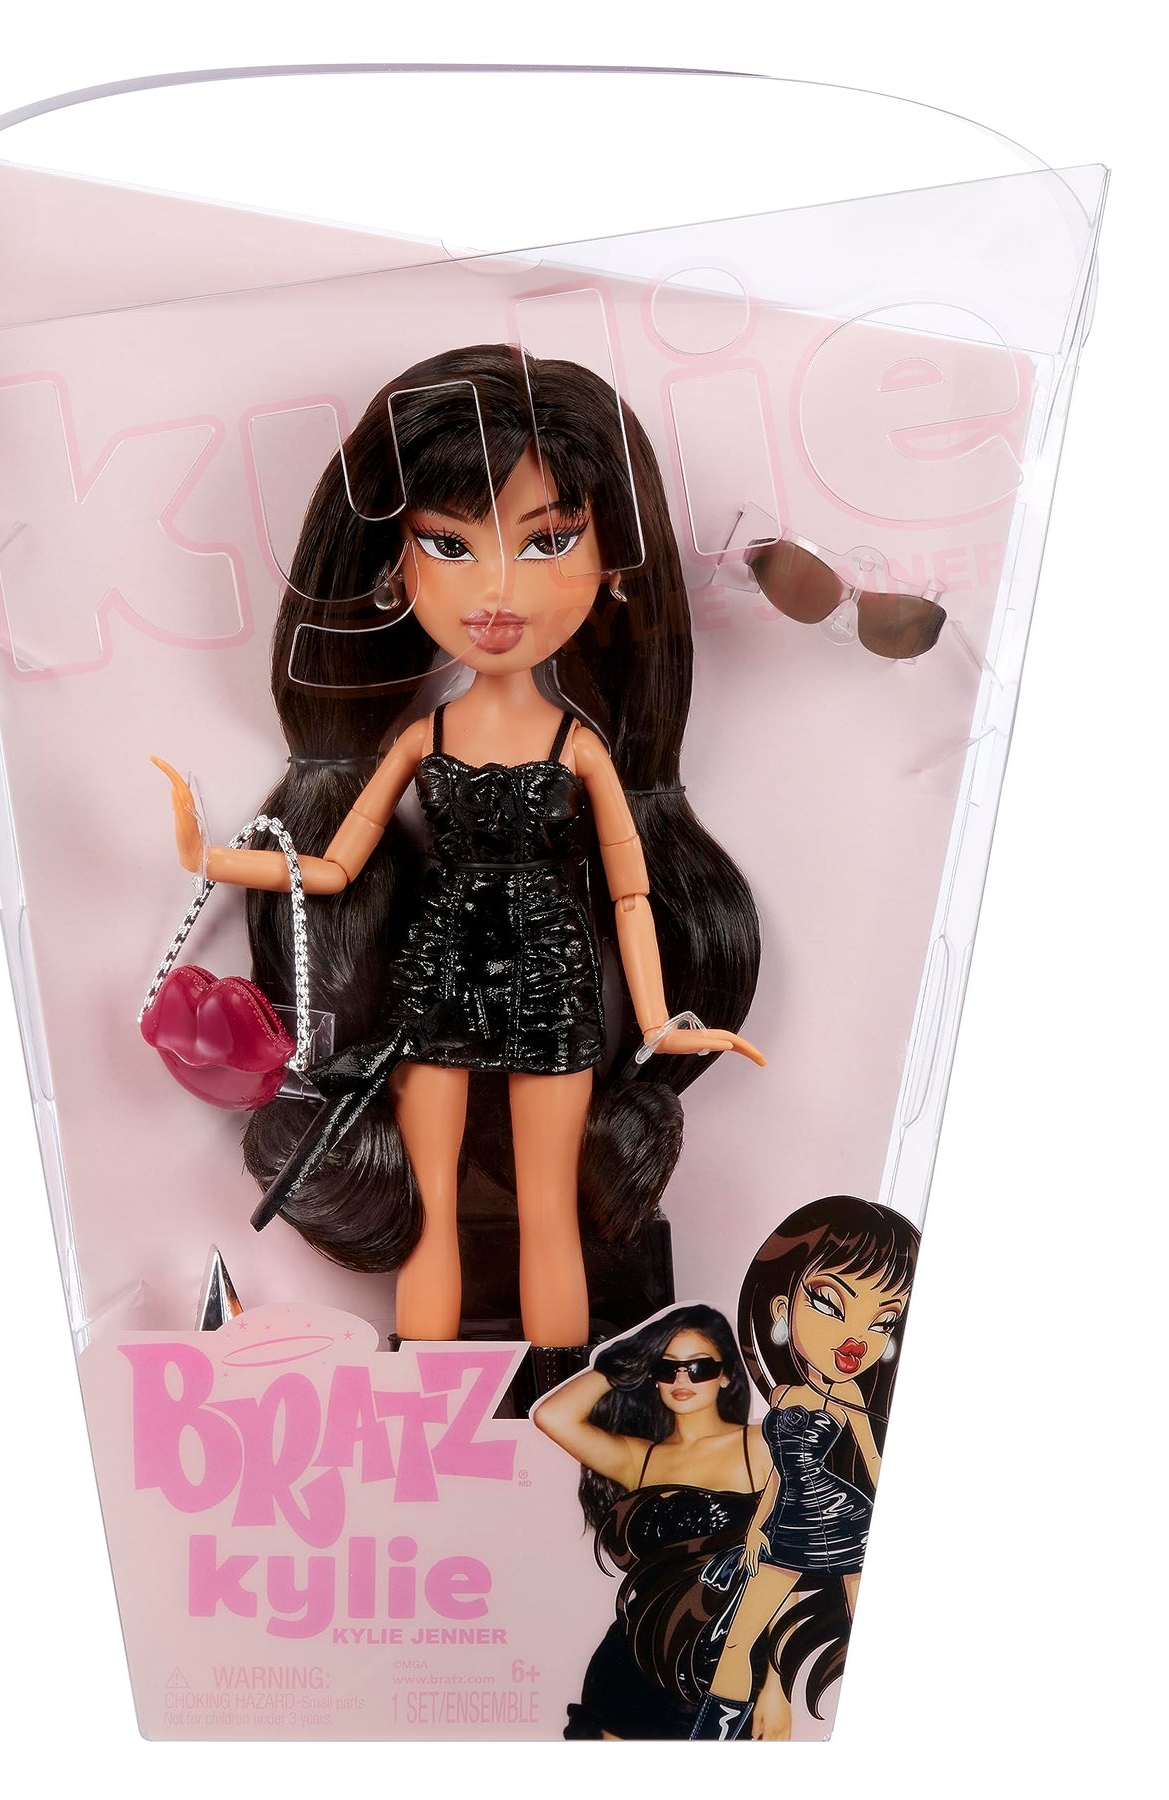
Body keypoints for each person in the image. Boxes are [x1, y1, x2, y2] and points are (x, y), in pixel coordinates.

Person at [156, 345, 762, 1372]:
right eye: (449, 543)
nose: (496, 588)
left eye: (548, 540)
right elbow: (336, 869)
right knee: (431, 1214)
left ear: (614, 564)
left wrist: (660, 1019)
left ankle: (562, 1407)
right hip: (435, 979)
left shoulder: (580, 747)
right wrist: (208, 855)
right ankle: (425, 1409)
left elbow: (631, 893)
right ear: (395, 566)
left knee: (550, 1211)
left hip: (552, 984)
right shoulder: (424, 737)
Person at [689, 1197, 920, 1739]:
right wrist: (756, 1528)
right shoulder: (785, 1394)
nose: (858, 1338)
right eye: (831, 1303)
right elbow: (780, 1473)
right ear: (781, 1306)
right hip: (789, 1525)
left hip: (848, 1519)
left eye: (883, 1320)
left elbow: (873, 1458)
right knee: (739, 1640)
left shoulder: (849, 1395)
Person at [532, 1304, 792, 1740]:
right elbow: (551, 1416)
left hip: (724, 1670)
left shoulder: (762, 1447)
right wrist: (630, 1355)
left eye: (698, 1367)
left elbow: (785, 1567)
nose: (681, 1380)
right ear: (652, 1375)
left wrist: (777, 1686)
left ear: (726, 1374)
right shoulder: (639, 1458)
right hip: (629, 1667)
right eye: (667, 1368)